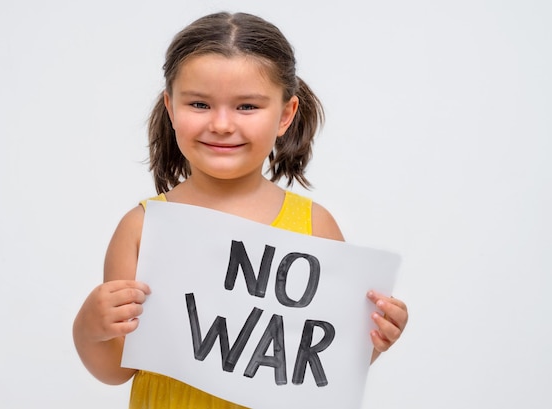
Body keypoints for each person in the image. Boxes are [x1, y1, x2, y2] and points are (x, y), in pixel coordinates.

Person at [73, 11, 408, 409]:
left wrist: (374, 341)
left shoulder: (314, 225)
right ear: (171, 107)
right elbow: (117, 370)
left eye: (247, 107)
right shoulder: (142, 228)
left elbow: (319, 367)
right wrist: (90, 328)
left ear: (285, 114)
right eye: (199, 103)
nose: (221, 124)